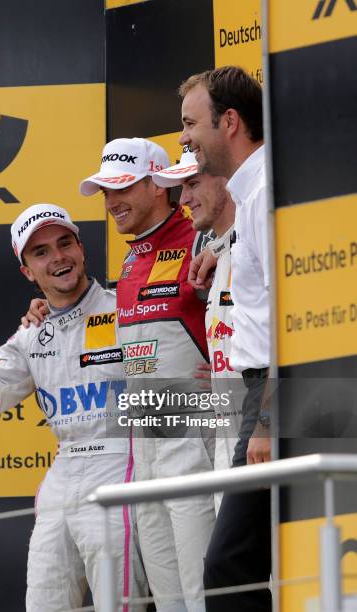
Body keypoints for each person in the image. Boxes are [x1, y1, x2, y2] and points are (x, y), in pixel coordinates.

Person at [0, 203, 147, 612]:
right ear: (27, 271)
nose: (58, 257)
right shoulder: (31, 334)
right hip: (61, 476)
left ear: (81, 249)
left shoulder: (127, 309)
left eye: (65, 243)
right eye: (41, 252)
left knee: (120, 605)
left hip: (120, 466)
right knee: (43, 602)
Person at [80, 137, 216, 612]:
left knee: (204, 590)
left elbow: (245, 314)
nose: (112, 202)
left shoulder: (201, 237)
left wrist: (229, 372)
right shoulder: (132, 255)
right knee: (168, 594)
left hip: (193, 433)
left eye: (123, 189)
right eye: (106, 192)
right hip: (145, 441)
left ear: (160, 184)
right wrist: (42, 313)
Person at [178, 66, 271, 611]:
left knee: (228, 566)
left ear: (230, 122)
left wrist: (265, 418)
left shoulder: (263, 191)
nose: (185, 138)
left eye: (191, 124)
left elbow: (289, 314)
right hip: (261, 399)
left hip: (271, 400)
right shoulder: (254, 191)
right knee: (240, 565)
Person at [153, 147, 245, 512]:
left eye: (192, 184)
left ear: (226, 177)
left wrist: (265, 423)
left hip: (258, 433)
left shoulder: (257, 245)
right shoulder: (221, 256)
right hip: (231, 429)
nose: (184, 199)